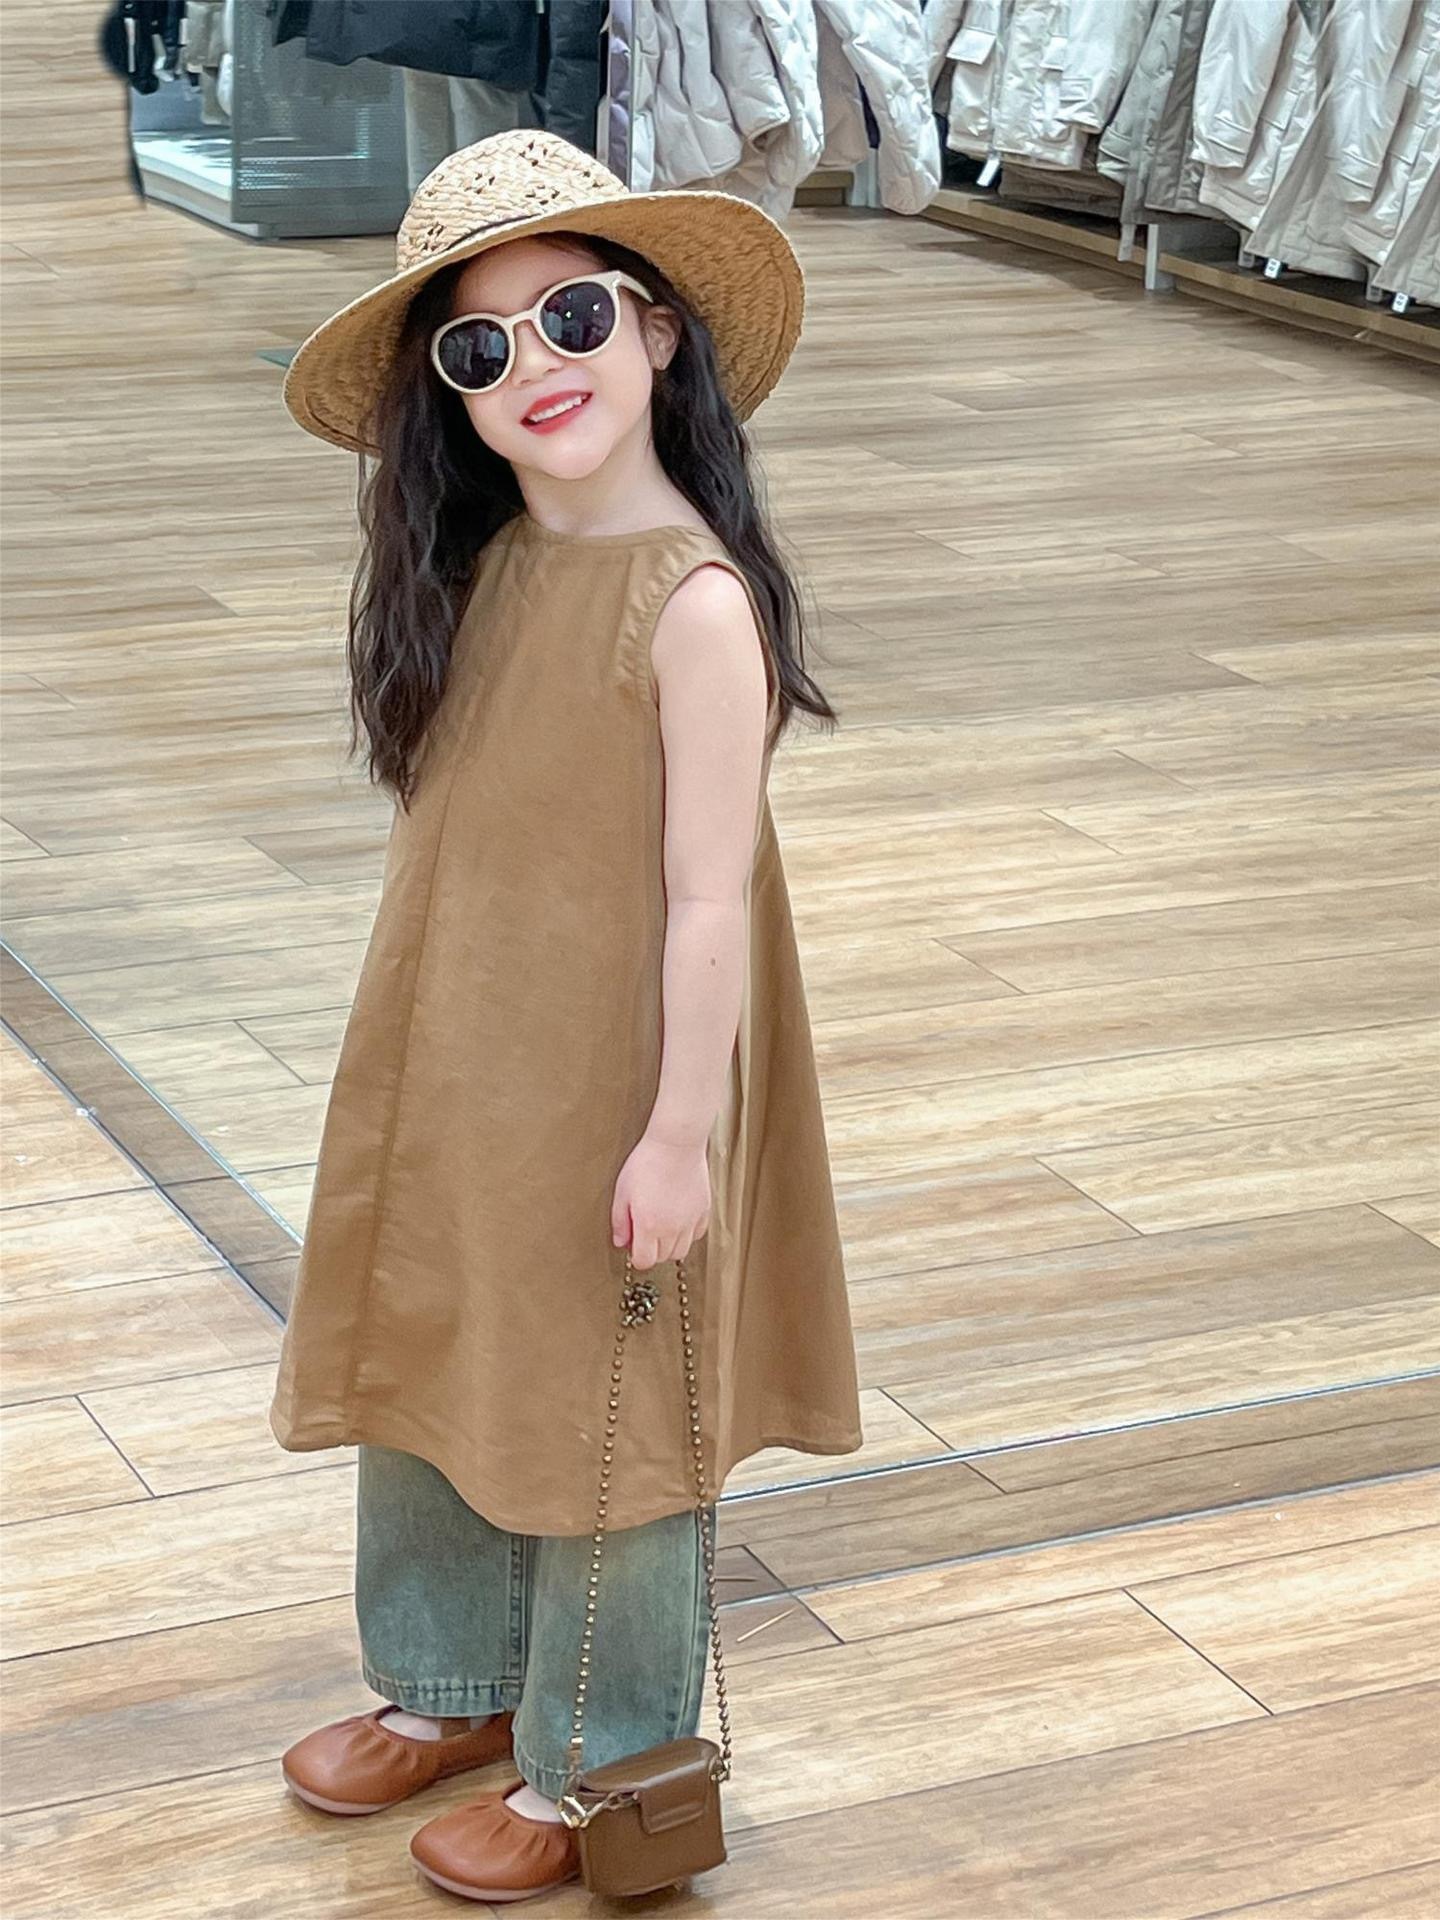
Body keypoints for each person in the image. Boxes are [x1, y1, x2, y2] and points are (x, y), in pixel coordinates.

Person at [267, 128, 864, 1903]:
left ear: (659, 331)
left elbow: (707, 900)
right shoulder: (492, 572)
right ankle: (450, 1679)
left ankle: (596, 1761)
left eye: (574, 316)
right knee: (440, 1343)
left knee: (614, 1404)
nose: (535, 363)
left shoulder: (693, 606)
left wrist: (679, 1135)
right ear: (448, 400)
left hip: (621, 1077)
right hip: (467, 1062)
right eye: (481, 345)